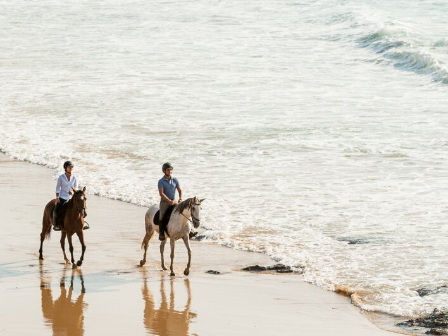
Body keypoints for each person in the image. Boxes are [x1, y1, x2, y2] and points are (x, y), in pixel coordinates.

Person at [158, 162, 182, 240]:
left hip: (174, 201)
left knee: (182, 213)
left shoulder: (175, 180)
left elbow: (180, 190)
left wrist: (180, 198)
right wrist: (168, 201)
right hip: (164, 202)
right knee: (162, 217)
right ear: (164, 171)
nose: (170, 171)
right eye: (168, 170)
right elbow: (161, 194)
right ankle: (161, 233)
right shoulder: (161, 181)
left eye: (171, 170)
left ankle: (189, 231)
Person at [53, 161, 78, 231]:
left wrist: (73, 191)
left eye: (71, 167)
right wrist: (57, 198)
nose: (70, 168)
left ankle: (81, 223)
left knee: (80, 206)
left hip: (71, 198)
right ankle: (56, 225)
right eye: (69, 167)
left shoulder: (74, 177)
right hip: (62, 197)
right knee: (56, 210)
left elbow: (76, 186)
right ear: (65, 168)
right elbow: (58, 188)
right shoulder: (61, 177)